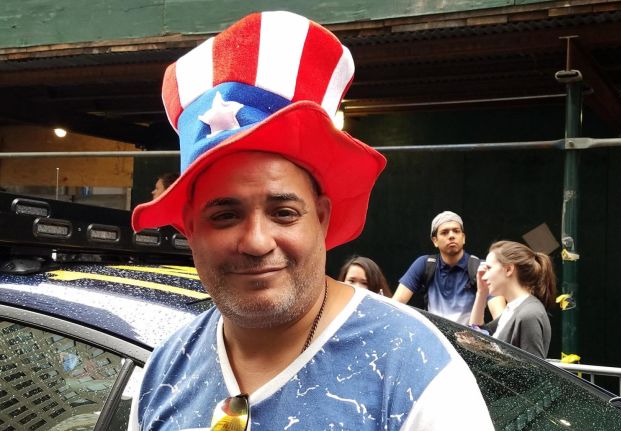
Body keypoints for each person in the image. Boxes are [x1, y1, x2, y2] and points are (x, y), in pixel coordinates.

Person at [128, 11, 492, 431]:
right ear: (189, 228)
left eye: (283, 212)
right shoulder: (163, 373)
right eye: (225, 215)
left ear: (320, 217)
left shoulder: (416, 370)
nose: (257, 241)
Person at [393, 211, 506, 324]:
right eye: (444, 232)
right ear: (435, 241)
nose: (451, 236)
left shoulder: (482, 268)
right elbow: (395, 305)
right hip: (433, 338)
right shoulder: (424, 264)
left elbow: (501, 318)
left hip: (470, 340)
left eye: (456, 231)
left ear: (463, 237)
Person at [468, 240, 557, 358]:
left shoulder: (529, 314)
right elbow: (476, 335)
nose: (484, 276)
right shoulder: (513, 308)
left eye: (489, 268)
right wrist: (481, 293)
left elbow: (532, 372)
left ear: (508, 269)